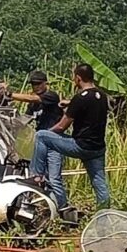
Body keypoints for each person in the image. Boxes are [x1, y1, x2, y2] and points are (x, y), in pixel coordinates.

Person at [31, 62, 111, 219]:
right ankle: (104, 216)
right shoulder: (102, 96)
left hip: (79, 146)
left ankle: (37, 176)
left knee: (41, 136)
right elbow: (89, 107)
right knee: (100, 184)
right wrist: (70, 103)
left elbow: (62, 126)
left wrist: (49, 133)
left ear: (78, 78)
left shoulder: (79, 98)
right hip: (97, 148)